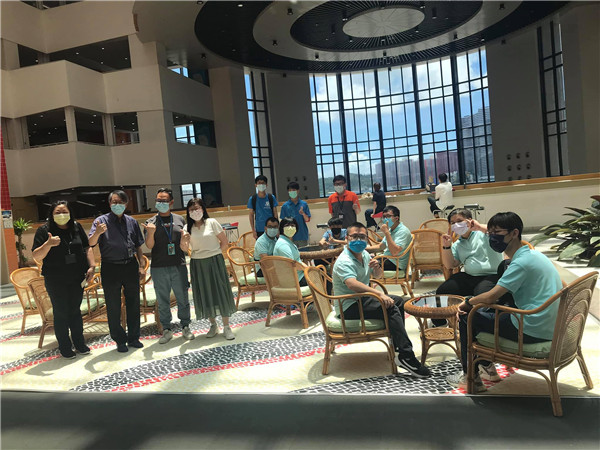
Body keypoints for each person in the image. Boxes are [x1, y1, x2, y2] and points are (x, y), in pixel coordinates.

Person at [446, 212, 562, 392]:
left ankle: (471, 378)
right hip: (550, 323)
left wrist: (468, 302)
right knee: (490, 311)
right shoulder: (534, 255)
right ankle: (486, 366)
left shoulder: (520, 263)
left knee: (467, 316)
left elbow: (490, 297)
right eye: (490, 233)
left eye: (497, 232)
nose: (492, 237)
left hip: (531, 327)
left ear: (514, 233)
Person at [332, 222, 430, 377]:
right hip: (348, 305)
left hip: (362, 300)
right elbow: (352, 284)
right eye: (354, 236)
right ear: (347, 238)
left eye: (362, 237)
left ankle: (398, 347)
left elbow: (378, 276)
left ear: (367, 238)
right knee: (390, 307)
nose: (358, 240)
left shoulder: (364, 254)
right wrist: (379, 294)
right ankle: (406, 356)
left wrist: (377, 267)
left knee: (399, 301)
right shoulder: (344, 260)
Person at [32, 201, 96, 359]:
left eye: (64, 212)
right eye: (57, 212)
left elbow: (87, 247)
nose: (61, 215)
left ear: (70, 213)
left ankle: (79, 343)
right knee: (61, 312)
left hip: (77, 276)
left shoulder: (76, 227)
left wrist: (92, 266)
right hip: (55, 278)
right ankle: (65, 346)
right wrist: (48, 244)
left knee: (75, 311)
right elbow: (36, 256)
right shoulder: (44, 230)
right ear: (51, 215)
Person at [88, 190, 145, 353]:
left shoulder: (132, 222)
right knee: (113, 305)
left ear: (126, 204)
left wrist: (141, 266)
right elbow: (91, 243)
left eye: (120, 202)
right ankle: (119, 340)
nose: (117, 205)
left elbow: (138, 246)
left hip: (130, 265)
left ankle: (134, 337)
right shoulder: (100, 221)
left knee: (133, 303)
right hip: (110, 267)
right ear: (109, 203)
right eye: (114, 202)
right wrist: (97, 233)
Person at [433, 208, 506, 327]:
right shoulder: (458, 244)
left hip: (491, 275)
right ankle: (439, 323)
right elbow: (450, 265)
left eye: (459, 221)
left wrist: (479, 227)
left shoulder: (484, 234)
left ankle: (478, 324)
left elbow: (499, 232)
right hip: (470, 276)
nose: (456, 225)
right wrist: (446, 246)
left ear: (470, 221)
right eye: (452, 223)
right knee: (443, 290)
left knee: (481, 295)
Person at [142, 188, 194, 344]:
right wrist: (151, 233)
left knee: (182, 297)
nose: (161, 203)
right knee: (162, 299)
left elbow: (185, 242)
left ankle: (185, 326)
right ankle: (166, 328)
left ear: (171, 202)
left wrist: (185, 239)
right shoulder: (150, 222)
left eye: (164, 200)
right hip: (159, 266)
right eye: (158, 200)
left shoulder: (180, 220)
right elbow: (149, 246)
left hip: (178, 264)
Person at [181, 198, 236, 340]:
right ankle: (213, 325)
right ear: (188, 212)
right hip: (197, 263)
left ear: (203, 209)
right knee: (205, 292)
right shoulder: (187, 227)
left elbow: (224, 242)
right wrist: (184, 239)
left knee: (220, 290)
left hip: (215, 261)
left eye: (197, 208)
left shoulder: (212, 222)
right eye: (191, 209)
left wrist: (215, 253)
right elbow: (184, 249)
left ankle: (226, 326)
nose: (195, 211)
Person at [366, 206, 412, 271]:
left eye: (388, 216)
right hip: (387, 259)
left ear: (396, 218)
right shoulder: (391, 230)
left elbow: (394, 252)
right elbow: (380, 247)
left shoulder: (403, 231)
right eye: (383, 217)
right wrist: (363, 249)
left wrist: (387, 233)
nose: (385, 219)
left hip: (396, 263)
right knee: (364, 258)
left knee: (366, 264)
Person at [273, 217, 307, 285]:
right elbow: (293, 264)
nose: (290, 228)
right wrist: (308, 270)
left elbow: (297, 260)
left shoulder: (288, 242)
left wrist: (308, 269)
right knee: (323, 279)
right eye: (287, 225)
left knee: (323, 275)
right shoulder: (283, 245)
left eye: (292, 225)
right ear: (281, 228)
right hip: (294, 280)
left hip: (299, 275)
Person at [279, 181, 311, 248]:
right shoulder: (285, 206)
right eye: (290, 190)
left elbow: (307, 219)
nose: (292, 192)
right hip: (289, 236)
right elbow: (283, 223)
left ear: (298, 191)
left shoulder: (304, 204)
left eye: (293, 190)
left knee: (304, 253)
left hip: (302, 235)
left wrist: (303, 213)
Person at [247, 175, 278, 239]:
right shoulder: (252, 199)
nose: (261, 185)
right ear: (256, 185)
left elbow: (275, 214)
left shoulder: (271, 198)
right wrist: (253, 230)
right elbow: (251, 215)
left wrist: (277, 228)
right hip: (259, 229)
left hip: (271, 228)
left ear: (266, 185)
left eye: (263, 183)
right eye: (259, 183)